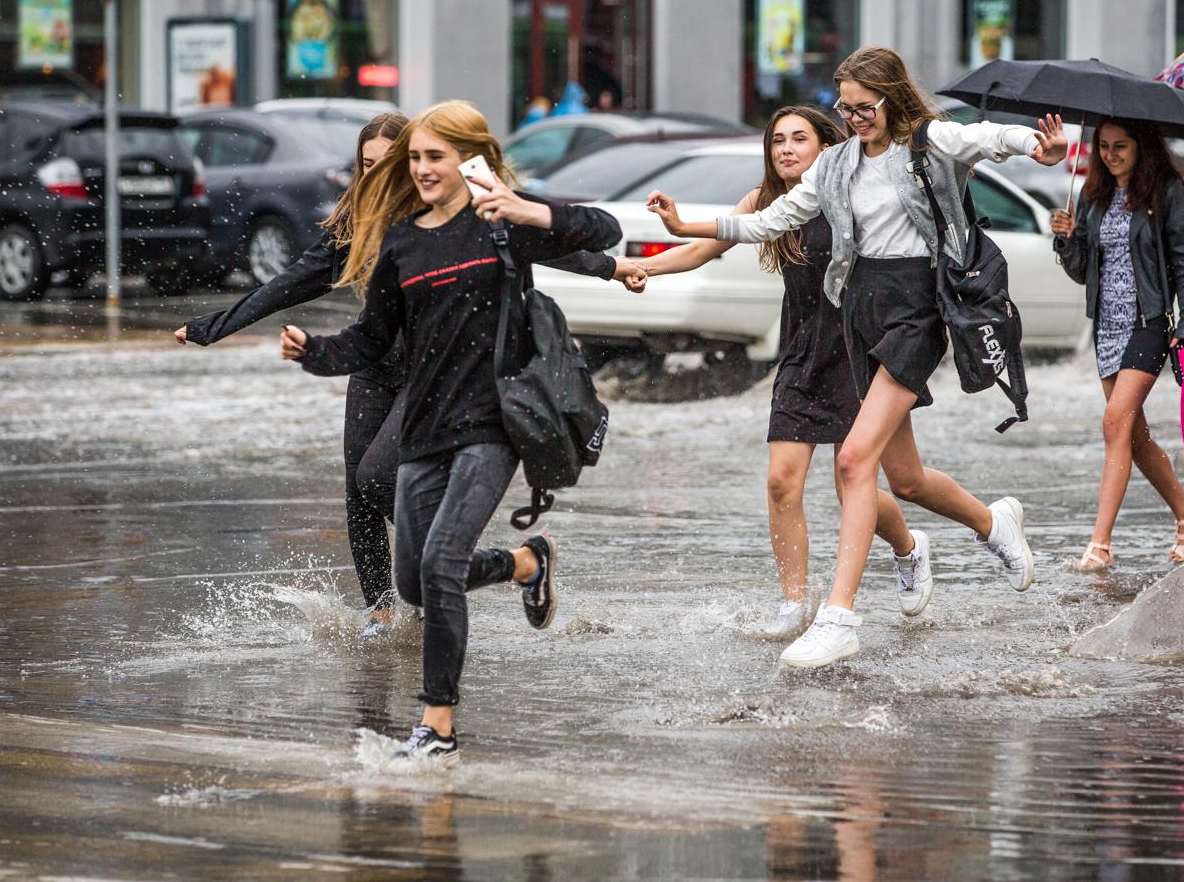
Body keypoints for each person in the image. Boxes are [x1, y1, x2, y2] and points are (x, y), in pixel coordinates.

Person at [650, 45, 1066, 669]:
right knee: (906, 480)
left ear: (891, 97)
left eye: (864, 107)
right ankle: (994, 523)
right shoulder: (838, 162)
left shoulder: (929, 141)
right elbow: (774, 219)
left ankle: (838, 616)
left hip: (916, 311)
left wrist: (1037, 146)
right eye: (845, 109)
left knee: (852, 461)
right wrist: (693, 229)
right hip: (860, 311)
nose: (855, 119)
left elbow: (988, 138)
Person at [175, 112, 638, 638]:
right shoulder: (360, 224)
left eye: (386, 165)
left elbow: (525, 239)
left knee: (379, 479)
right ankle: (384, 610)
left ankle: (464, 561)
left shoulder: (445, 215)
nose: (374, 176)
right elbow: (293, 281)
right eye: (365, 166)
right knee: (358, 488)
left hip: (432, 373)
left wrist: (611, 267)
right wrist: (215, 326)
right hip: (373, 366)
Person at [280, 101, 622, 762]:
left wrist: (532, 210)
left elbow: (601, 230)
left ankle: (436, 726)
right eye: (415, 158)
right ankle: (527, 562)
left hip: (492, 428)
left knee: (438, 566)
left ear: (472, 158)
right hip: (424, 432)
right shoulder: (404, 241)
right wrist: (314, 353)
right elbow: (372, 338)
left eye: (434, 156)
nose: (421, 169)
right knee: (415, 582)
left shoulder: (503, 223)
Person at [632, 105, 921, 638]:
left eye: (798, 139)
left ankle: (907, 548)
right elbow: (701, 250)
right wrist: (643, 267)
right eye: (777, 141)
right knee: (781, 482)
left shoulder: (851, 188)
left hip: (862, 350)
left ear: (824, 146)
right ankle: (794, 602)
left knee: (857, 485)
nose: (786, 149)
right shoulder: (765, 201)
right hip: (802, 349)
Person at [1049, 119, 1184, 573]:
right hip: (1106, 324)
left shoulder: (1165, 191)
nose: (1111, 155)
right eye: (1103, 146)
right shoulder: (1093, 195)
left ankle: (1100, 543)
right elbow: (1083, 270)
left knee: (1114, 422)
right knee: (1133, 437)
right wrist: (1065, 240)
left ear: (1142, 147)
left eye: (1121, 146)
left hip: (1148, 322)